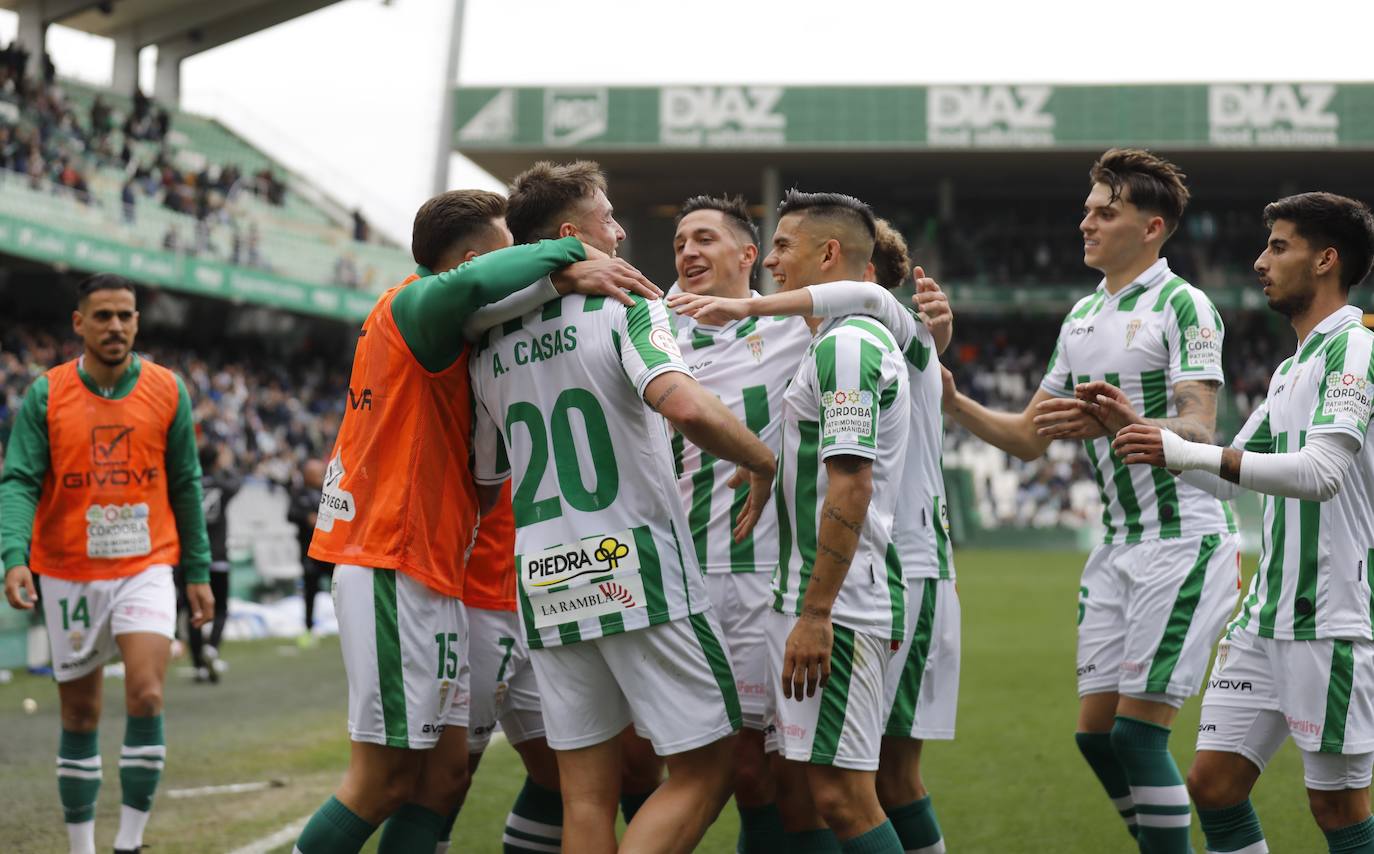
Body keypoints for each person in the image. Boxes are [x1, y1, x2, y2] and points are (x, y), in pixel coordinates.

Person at [292, 188, 662, 854]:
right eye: (509, 250)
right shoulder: (412, 304)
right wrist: (571, 256)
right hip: (390, 559)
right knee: (382, 781)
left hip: (433, 567)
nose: (521, 262)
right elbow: (484, 284)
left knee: (439, 781)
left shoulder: (459, 337)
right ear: (466, 262)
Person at [470, 160, 777, 854]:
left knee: (585, 796)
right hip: (634, 565)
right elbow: (683, 404)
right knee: (711, 764)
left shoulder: (488, 340)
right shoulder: (628, 307)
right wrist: (763, 460)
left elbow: (487, 473)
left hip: (543, 574)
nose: (622, 228)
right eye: (609, 217)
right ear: (575, 233)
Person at [940, 148, 1239, 850]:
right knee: (1096, 737)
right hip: (1116, 548)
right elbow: (1025, 439)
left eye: (1106, 212)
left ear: (1153, 227)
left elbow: (1199, 427)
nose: (1087, 222)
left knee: (1136, 738)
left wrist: (1120, 421)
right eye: (1087, 210)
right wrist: (952, 399)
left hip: (1182, 542)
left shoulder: (1184, 306)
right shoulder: (1079, 318)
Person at [1110, 192, 1374, 854]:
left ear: (1326, 260)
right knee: (1215, 784)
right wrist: (1134, 429)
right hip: (1265, 619)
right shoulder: (1293, 368)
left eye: (1278, 247)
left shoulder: (1357, 350)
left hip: (1330, 618)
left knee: (1337, 808)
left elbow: (1320, 474)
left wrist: (1183, 448)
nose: (1259, 262)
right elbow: (1225, 476)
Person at [1, 273, 213, 854]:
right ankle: (80, 847)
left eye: (125, 315)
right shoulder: (46, 394)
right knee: (80, 713)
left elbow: (186, 483)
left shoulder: (168, 390)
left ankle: (129, 843)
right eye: (102, 316)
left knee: (146, 693)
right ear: (79, 323)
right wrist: (13, 556)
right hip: (67, 570)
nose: (115, 326)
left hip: (146, 564)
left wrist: (197, 569)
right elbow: (19, 480)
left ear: (138, 321)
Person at [666, 193, 814, 853]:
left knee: (763, 771)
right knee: (672, 761)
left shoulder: (794, 324)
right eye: (679, 244)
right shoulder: (652, 327)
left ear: (747, 255)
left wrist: (942, 333)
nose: (688, 253)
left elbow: (881, 313)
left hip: (761, 573)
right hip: (679, 577)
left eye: (703, 239)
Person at [185, 441, 240, 682]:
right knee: (220, 609)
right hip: (218, 556)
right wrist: (226, 467)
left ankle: (198, 664)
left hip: (192, 557)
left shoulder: (191, 485)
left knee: (194, 610)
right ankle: (212, 648)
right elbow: (238, 482)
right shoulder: (223, 485)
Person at [287, 457, 330, 641]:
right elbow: (290, 515)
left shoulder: (329, 491)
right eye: (317, 472)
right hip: (309, 552)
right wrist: (306, 518)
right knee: (310, 591)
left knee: (340, 587)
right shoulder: (299, 494)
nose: (321, 475)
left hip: (329, 552)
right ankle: (308, 627)